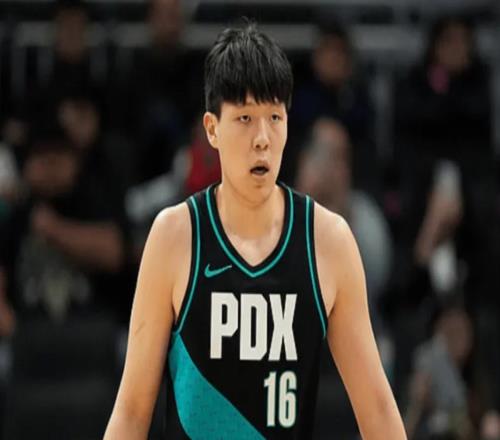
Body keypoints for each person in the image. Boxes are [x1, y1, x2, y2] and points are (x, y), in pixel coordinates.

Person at [104, 23, 406, 439]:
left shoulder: (328, 241)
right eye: (245, 118)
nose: (262, 138)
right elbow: (131, 412)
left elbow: (379, 412)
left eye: (274, 118)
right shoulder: (175, 235)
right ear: (212, 128)